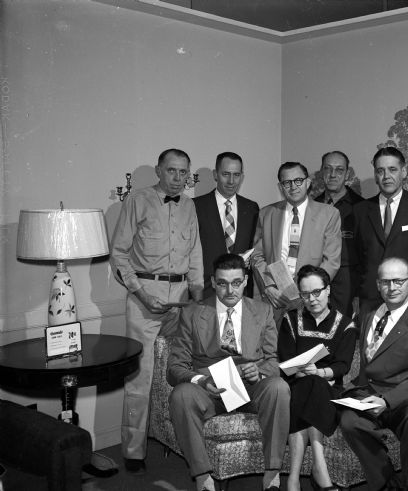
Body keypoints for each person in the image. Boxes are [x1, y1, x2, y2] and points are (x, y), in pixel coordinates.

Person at [110, 148, 203, 474]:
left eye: (183, 172)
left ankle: (179, 440)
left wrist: (198, 291)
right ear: (159, 172)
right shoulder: (137, 200)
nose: (178, 178)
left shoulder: (189, 205)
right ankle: (133, 452)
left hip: (181, 300)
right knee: (140, 378)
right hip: (144, 301)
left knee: (183, 371)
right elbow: (119, 255)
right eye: (172, 171)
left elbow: (195, 252)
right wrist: (141, 294)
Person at [167, 253, 290, 491]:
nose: (230, 290)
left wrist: (260, 372)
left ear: (245, 281)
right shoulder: (193, 313)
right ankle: (203, 477)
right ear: (213, 282)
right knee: (181, 394)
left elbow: (273, 360)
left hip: (251, 388)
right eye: (222, 283)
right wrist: (200, 380)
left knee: (279, 387)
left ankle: (272, 472)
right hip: (210, 389)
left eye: (236, 283)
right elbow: (174, 368)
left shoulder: (263, 311)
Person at [338, 257, 408, 491]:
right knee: (348, 421)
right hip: (370, 392)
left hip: (406, 397)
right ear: (378, 285)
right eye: (386, 282)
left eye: (398, 281)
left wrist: (387, 401)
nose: (392, 287)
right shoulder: (369, 317)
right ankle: (385, 483)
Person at [278, 265, 357, 491]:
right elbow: (285, 361)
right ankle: (319, 469)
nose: (311, 299)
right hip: (295, 385)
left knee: (316, 384)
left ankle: (293, 479)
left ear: (328, 290)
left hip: (330, 389)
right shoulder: (290, 320)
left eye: (317, 292)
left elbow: (343, 365)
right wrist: (304, 371)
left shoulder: (345, 324)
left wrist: (321, 372)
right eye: (305, 294)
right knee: (309, 385)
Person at [354, 147, 408, 316]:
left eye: (392, 169)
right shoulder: (360, 210)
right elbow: (356, 259)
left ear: (404, 171)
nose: (386, 176)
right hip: (371, 299)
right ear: (376, 176)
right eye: (380, 171)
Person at [251, 162, 342, 314]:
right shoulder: (266, 214)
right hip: (275, 298)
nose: (293, 187)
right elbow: (257, 255)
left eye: (298, 181)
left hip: (311, 299)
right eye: (287, 183)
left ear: (307, 182)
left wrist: (309, 291)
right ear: (280, 187)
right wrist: (268, 286)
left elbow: (331, 260)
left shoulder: (329, 214)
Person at [193, 152, 259, 298]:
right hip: (206, 290)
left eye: (236, 175)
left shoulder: (252, 208)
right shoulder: (195, 206)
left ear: (242, 176)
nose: (231, 181)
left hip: (240, 291)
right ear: (215, 174)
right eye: (225, 174)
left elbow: (255, 247)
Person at [315, 151, 364, 318]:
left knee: (344, 337)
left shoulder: (362, 208)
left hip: (348, 285)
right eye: (328, 169)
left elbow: (367, 254)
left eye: (339, 170)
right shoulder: (311, 206)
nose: (333, 175)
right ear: (321, 171)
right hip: (316, 283)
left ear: (347, 173)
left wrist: (359, 293)